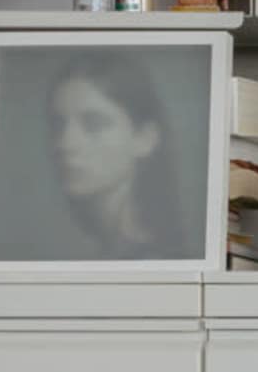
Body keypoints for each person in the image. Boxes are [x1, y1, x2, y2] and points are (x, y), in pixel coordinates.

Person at [46, 64, 179, 257]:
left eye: (94, 124)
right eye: (58, 125)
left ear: (144, 137)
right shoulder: (90, 252)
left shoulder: (159, 259)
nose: (65, 143)